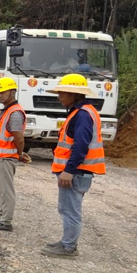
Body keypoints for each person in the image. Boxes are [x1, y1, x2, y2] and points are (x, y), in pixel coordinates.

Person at [42, 73, 105, 258]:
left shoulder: (82, 115)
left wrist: (68, 170)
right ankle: (66, 242)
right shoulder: (82, 112)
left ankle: (69, 247)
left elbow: (80, 146)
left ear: (74, 94)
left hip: (76, 172)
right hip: (78, 171)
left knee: (70, 210)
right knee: (67, 208)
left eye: (62, 92)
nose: (59, 96)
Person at [0, 77, 31, 232]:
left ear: (13, 92)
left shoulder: (14, 113)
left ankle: (6, 221)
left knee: (6, 190)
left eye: (3, 92)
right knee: (0, 189)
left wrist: (19, 154)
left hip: (5, 157)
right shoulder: (8, 111)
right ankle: (0, 216)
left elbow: (19, 138)